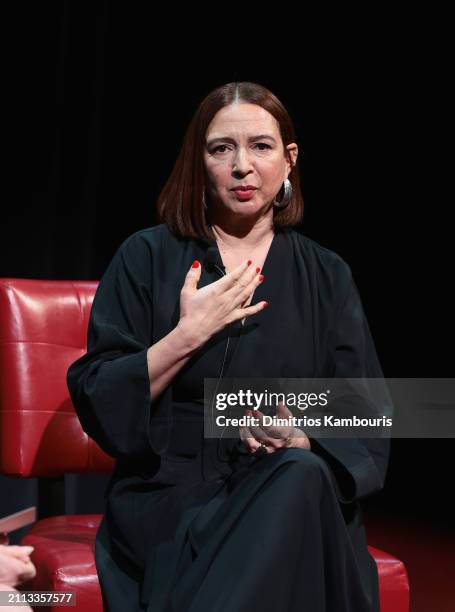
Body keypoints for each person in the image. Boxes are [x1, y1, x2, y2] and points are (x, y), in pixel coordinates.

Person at [67, 82, 391, 611]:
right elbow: (99, 395)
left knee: (300, 477)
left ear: (288, 161)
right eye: (222, 148)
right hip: (172, 497)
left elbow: (368, 410)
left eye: (261, 147)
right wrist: (186, 336)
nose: (243, 166)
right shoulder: (145, 256)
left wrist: (302, 435)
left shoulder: (328, 275)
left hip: (283, 486)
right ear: (200, 162)